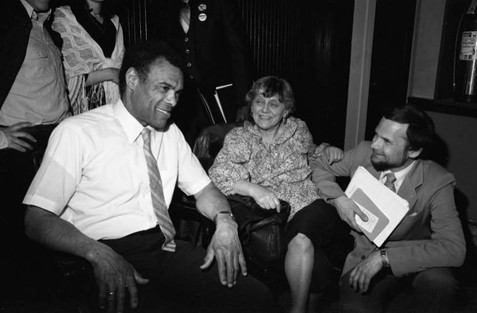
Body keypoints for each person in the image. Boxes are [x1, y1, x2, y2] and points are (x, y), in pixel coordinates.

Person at [23, 40, 274, 313]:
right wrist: (97, 254)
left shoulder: (171, 133)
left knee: (256, 297)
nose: (173, 101)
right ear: (132, 79)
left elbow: (204, 190)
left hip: (163, 246)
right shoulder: (77, 133)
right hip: (100, 251)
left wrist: (225, 221)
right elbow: (37, 219)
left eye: (177, 92)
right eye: (164, 89)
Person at [209, 76, 349, 313]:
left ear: (286, 110)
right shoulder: (239, 138)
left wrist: (328, 150)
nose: (264, 110)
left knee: (302, 239)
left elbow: (312, 153)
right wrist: (254, 189)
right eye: (259, 102)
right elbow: (218, 174)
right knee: (318, 264)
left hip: (309, 203)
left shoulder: (298, 128)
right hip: (274, 214)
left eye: (274, 104)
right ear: (250, 106)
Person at [311, 104, 466, 313]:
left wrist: (386, 257)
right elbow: (318, 166)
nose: (374, 144)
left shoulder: (437, 180)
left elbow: (454, 249)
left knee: (441, 283)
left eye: (386, 141)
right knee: (354, 303)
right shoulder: (364, 153)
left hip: (415, 258)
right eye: (376, 135)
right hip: (365, 257)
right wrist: (339, 198)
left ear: (414, 150)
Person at [0, 0, 70, 300]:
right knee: (21, 248)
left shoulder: (47, 29)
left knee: (53, 239)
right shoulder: (6, 22)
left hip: (54, 143)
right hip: (20, 147)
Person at [149, 0, 254, 146]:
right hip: (183, 100)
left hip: (219, 96)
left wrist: (244, 102)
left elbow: (239, 52)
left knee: (226, 146)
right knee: (188, 148)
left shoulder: (220, 4)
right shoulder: (164, 8)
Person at [52, 0, 125, 114]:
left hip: (114, 107)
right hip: (83, 108)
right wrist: (110, 73)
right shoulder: (65, 17)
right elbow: (65, 78)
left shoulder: (114, 21)